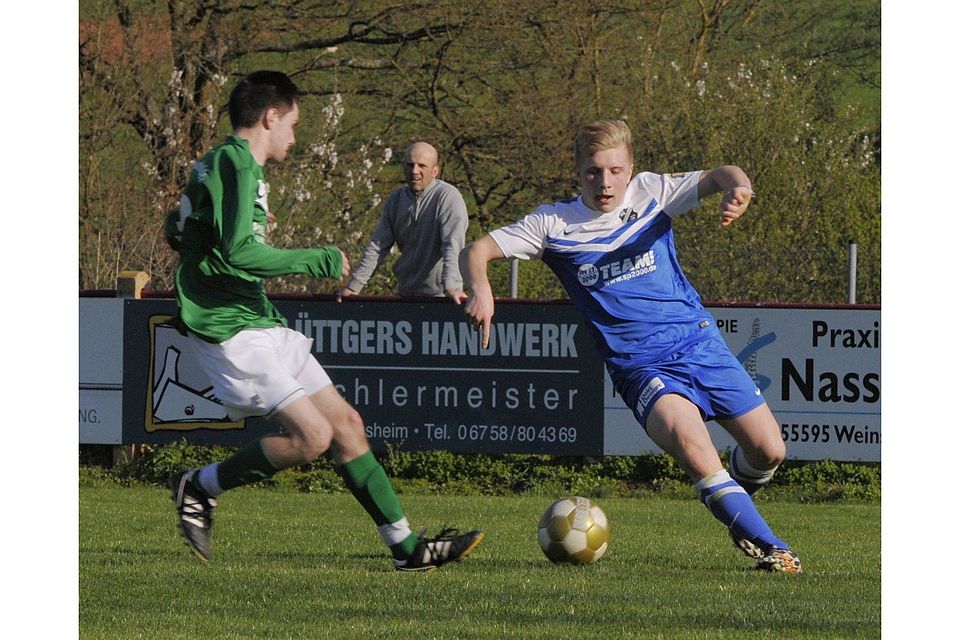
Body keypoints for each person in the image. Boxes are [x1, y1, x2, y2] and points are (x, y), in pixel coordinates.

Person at [163, 70, 483, 571]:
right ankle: (199, 486)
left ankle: (407, 550)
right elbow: (240, 251)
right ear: (271, 117)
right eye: (292, 124)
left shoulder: (214, 163)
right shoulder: (238, 165)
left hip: (254, 316)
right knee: (312, 437)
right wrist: (311, 259)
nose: (294, 135)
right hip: (228, 328)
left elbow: (176, 230)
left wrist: (208, 250)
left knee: (347, 426)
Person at [460, 119, 801, 574]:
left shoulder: (653, 192)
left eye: (615, 171)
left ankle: (733, 502)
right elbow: (477, 250)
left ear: (631, 169)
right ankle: (773, 547)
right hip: (640, 366)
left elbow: (722, 174)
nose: (605, 183)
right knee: (693, 446)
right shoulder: (553, 223)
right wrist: (481, 288)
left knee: (770, 451)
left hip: (699, 344)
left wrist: (738, 187)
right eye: (593, 172)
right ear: (578, 171)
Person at [338, 141, 469, 302]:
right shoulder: (396, 199)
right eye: (410, 165)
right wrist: (354, 286)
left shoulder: (448, 197)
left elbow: (453, 245)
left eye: (422, 166)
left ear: (435, 170)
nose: (415, 171)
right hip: (406, 295)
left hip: (441, 297)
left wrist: (452, 287)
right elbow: (378, 246)